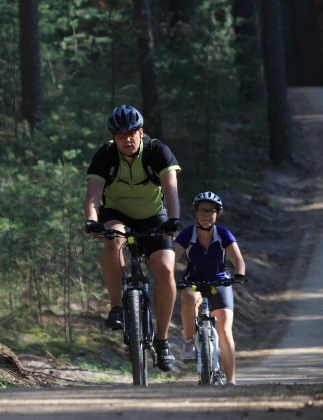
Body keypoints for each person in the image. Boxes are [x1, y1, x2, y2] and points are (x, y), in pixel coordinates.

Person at [83, 105, 182, 372]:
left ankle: (162, 342)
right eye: (120, 135)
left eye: (131, 134)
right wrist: (92, 220)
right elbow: (93, 194)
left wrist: (174, 219)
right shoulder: (105, 155)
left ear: (141, 132)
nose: (126, 139)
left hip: (154, 216)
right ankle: (116, 307)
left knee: (165, 270)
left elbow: (170, 187)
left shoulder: (157, 152)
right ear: (113, 137)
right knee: (113, 239)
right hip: (117, 213)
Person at [174, 191, 246, 384]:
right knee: (188, 299)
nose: (207, 214)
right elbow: (172, 257)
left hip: (219, 282)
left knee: (225, 331)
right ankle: (189, 341)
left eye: (211, 211)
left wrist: (239, 274)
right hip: (194, 281)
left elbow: (238, 259)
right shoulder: (187, 234)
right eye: (202, 210)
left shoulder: (223, 233)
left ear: (217, 213)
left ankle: (231, 382)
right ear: (196, 213)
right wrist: (166, 275)